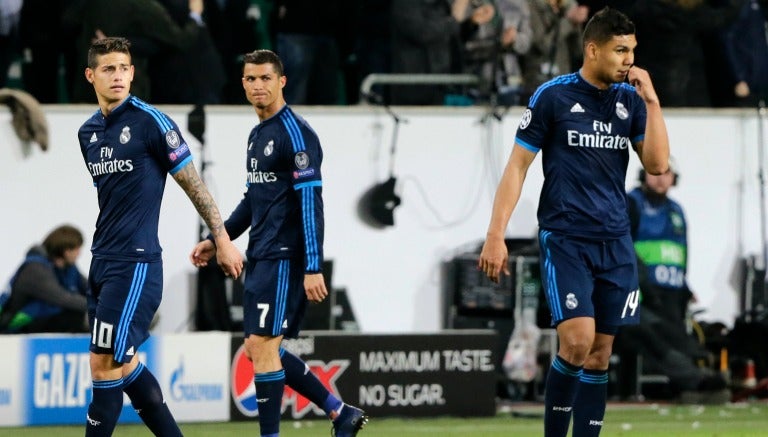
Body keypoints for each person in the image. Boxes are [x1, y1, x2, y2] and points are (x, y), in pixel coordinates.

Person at [478, 7, 669, 437]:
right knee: (577, 343)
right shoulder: (553, 96)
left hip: (616, 242)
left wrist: (653, 102)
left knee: (600, 354)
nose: (628, 60)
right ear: (593, 49)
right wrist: (496, 235)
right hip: (566, 238)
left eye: (632, 51)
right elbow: (517, 167)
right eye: (620, 50)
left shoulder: (630, 101)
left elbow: (657, 165)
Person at [190, 49, 367, 437]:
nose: (258, 85)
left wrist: (313, 266)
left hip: (286, 257)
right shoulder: (257, 135)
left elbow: (310, 203)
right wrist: (217, 239)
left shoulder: (296, 134)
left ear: (281, 81)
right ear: (243, 83)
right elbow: (254, 199)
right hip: (262, 254)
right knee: (257, 348)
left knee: (263, 347)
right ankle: (340, 412)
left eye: (266, 78)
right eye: (251, 79)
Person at [77, 37, 243, 436]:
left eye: (124, 68)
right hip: (103, 262)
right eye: (108, 69)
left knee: (103, 364)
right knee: (126, 364)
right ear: (90, 75)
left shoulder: (152, 122)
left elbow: (193, 184)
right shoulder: (88, 133)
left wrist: (221, 238)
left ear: (133, 72)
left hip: (135, 264)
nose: (118, 76)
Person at [617, 160, 729, 402]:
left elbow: (681, 253)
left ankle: (695, 383)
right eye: (654, 171)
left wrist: (686, 288)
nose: (659, 177)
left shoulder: (676, 211)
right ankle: (694, 381)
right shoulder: (631, 203)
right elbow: (623, 246)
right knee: (652, 335)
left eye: (665, 172)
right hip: (638, 293)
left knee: (676, 336)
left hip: (671, 294)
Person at [0, 224, 88, 334]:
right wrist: (98, 305)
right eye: (77, 248)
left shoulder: (68, 268)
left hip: (40, 321)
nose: (79, 253)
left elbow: (89, 289)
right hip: (16, 326)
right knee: (74, 315)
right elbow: (62, 298)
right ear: (67, 250)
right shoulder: (35, 269)